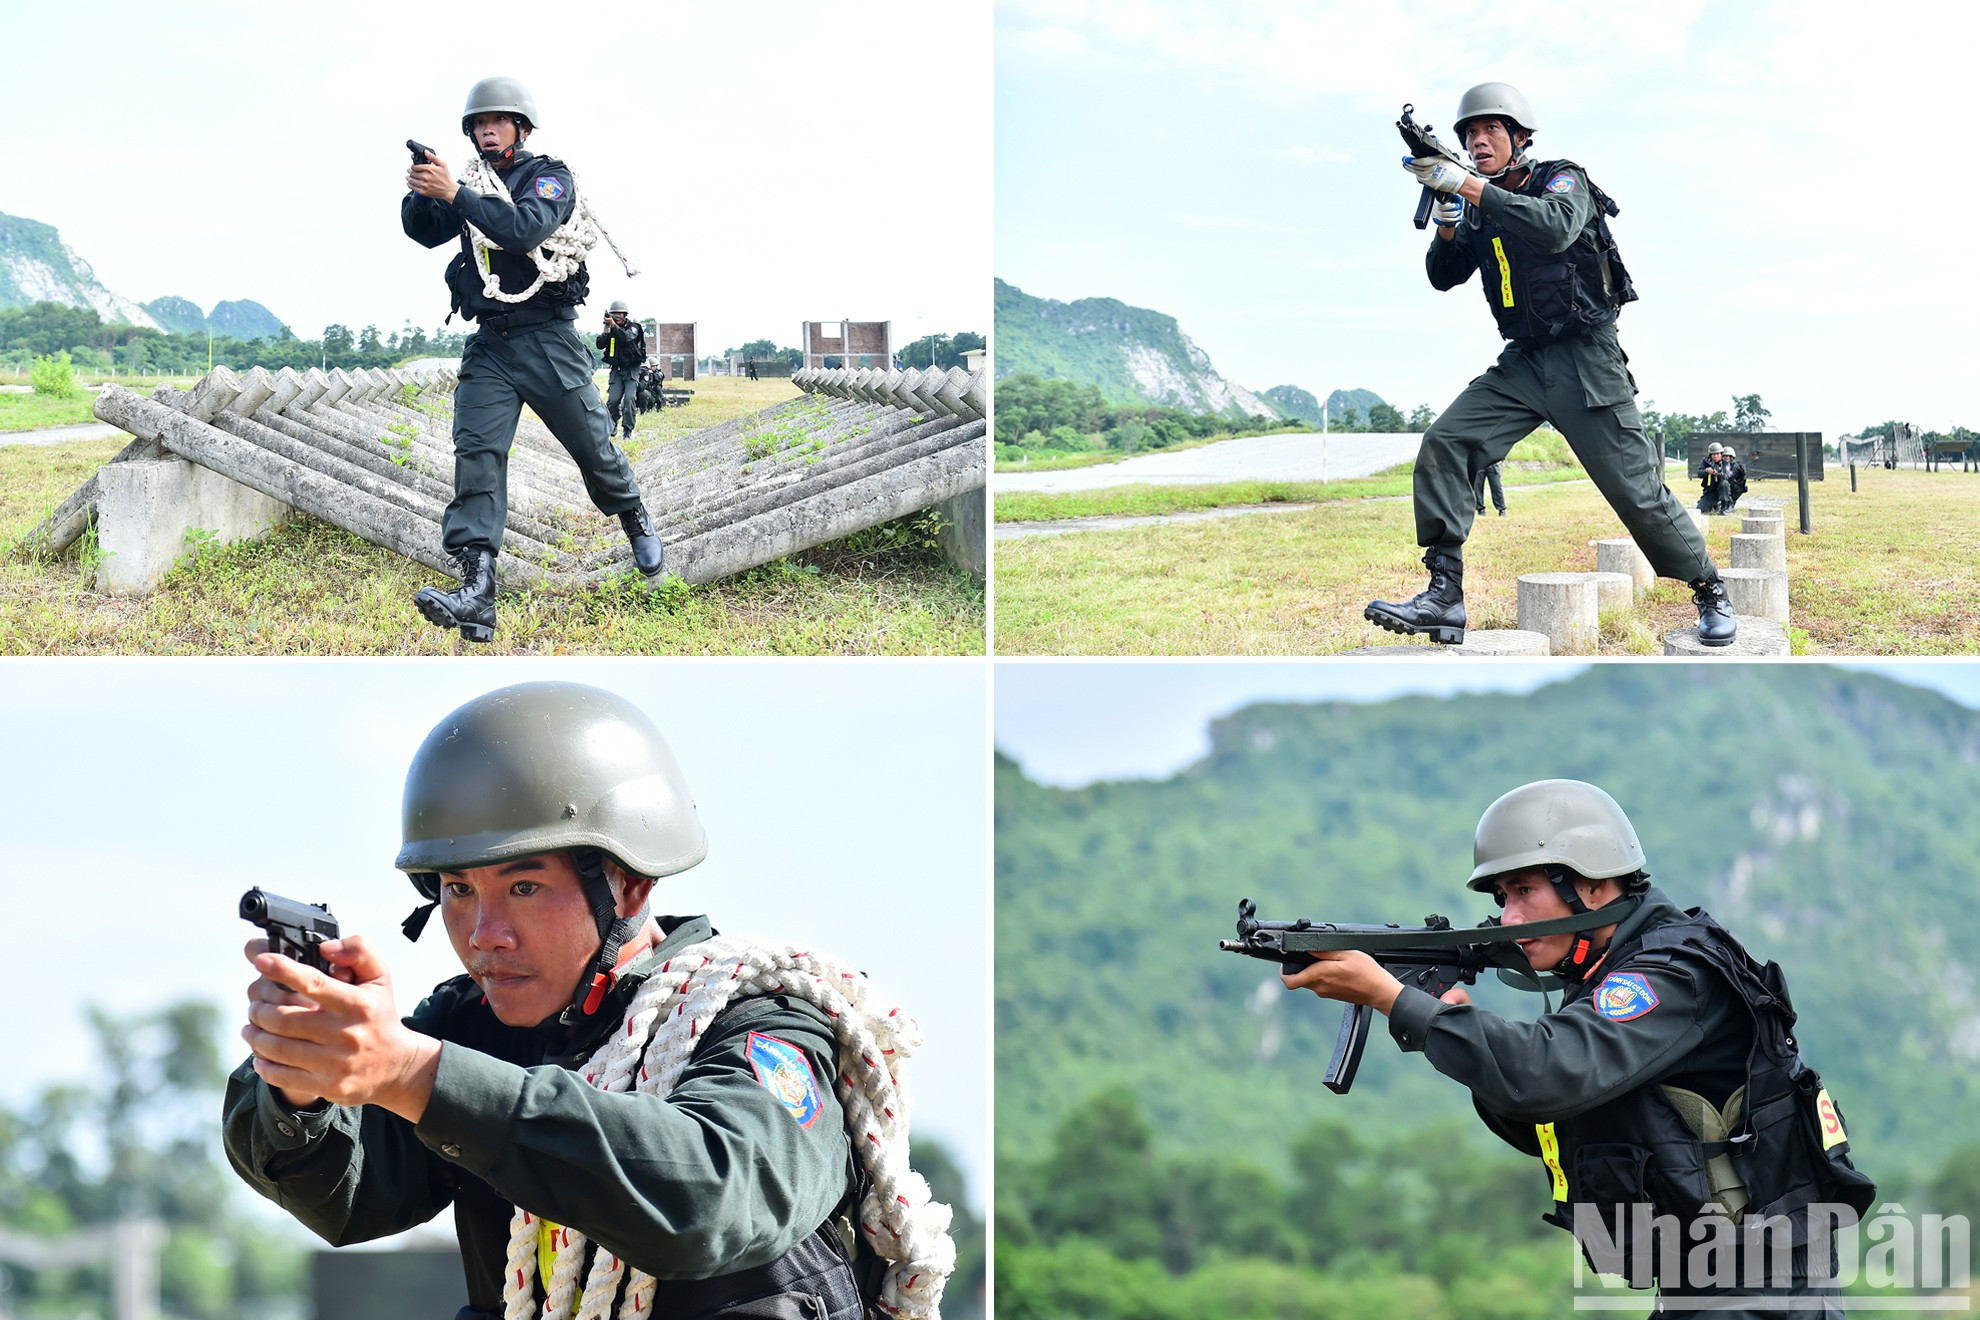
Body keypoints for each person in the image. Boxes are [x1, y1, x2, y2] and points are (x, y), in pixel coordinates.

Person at [222, 681, 953, 1320]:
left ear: (630, 884)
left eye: (524, 887)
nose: (485, 935)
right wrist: (301, 1084)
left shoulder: (760, 1023)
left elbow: (713, 1195)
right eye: (457, 891)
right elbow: (349, 1197)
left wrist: (418, 1075)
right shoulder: (468, 1030)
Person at [1281, 779, 1875, 1315]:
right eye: (1501, 898)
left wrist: (1394, 999)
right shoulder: (1606, 978)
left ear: (1591, 883)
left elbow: (1546, 1071)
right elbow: (1546, 1114)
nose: (1508, 915)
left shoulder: (1668, 974)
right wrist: (1456, 1030)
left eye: (1524, 890)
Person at [1364, 83, 1738, 647]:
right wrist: (1447, 217)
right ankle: (1444, 597)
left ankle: (1709, 588)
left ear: (1519, 138)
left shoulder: (1563, 181)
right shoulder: (1477, 203)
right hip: (1523, 363)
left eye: (1491, 130)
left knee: (1636, 490)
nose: (1477, 140)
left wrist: (1464, 185)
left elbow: (1556, 227)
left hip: (1587, 358)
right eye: (1469, 133)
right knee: (1448, 440)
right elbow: (1444, 275)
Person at [402, 78, 664, 643]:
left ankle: (632, 514)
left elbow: (526, 229)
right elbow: (424, 233)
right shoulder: (466, 184)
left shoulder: (549, 176)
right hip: (490, 343)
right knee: (476, 453)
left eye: (497, 121)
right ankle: (477, 591)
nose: (485, 130)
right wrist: (425, 192)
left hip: (548, 339)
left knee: (591, 444)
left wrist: (455, 195)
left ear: (521, 127)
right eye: (477, 123)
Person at [595, 300, 646, 442]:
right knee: (613, 400)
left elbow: (626, 337)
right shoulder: (610, 328)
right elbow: (599, 344)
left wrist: (614, 326)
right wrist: (607, 330)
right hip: (616, 371)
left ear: (625, 314)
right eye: (614, 314)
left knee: (629, 400)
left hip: (632, 370)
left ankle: (628, 430)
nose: (617, 316)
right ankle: (613, 424)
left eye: (619, 313)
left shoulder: (634, 327)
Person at [1698, 441, 1729, 514]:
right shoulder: (1706, 462)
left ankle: (1723, 508)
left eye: (1718, 454)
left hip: (1723, 491)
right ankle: (1714, 505)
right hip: (1710, 491)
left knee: (1724, 483)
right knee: (1700, 509)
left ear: (1721, 454)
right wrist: (1707, 471)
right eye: (1713, 454)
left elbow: (1728, 476)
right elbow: (1699, 473)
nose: (1716, 456)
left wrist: (1718, 474)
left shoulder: (1725, 463)